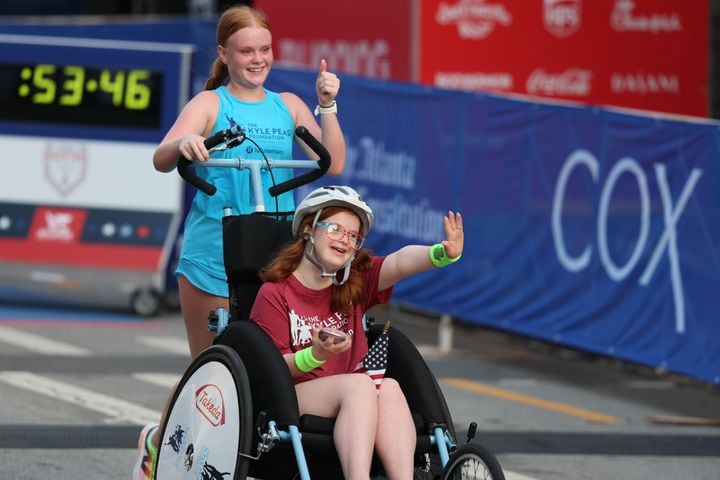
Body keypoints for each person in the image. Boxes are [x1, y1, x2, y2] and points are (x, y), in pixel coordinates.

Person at [133, 4, 345, 479]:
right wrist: (183, 145)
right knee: (212, 371)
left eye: (264, 49)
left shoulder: (288, 105)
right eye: (246, 50)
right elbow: (161, 157)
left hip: (275, 258)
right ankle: (158, 442)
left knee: (267, 369)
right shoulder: (210, 104)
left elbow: (333, 163)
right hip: (214, 256)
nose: (257, 59)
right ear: (224, 54)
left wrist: (326, 105)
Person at [250, 185, 464, 480]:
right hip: (290, 395)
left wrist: (441, 253)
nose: (345, 240)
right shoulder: (275, 293)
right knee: (360, 386)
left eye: (353, 236)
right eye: (336, 229)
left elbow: (400, 262)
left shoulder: (355, 282)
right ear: (309, 230)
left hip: (353, 396)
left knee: (388, 388)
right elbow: (269, 369)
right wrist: (314, 356)